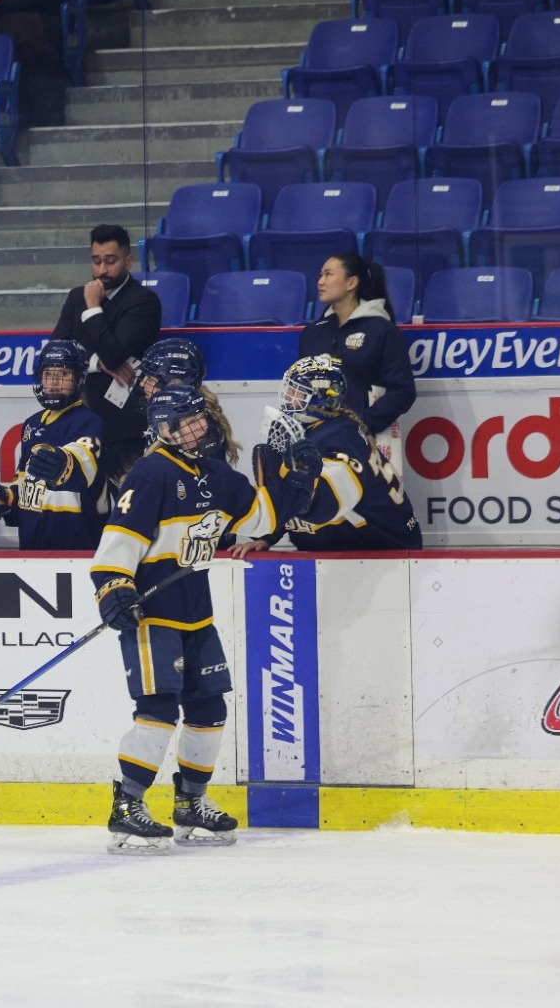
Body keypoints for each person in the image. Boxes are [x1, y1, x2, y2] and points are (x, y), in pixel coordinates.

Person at [91, 385, 322, 853]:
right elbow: (115, 546)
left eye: (201, 419)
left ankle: (190, 803)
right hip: (152, 616)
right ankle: (128, 805)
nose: (200, 428)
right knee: (157, 710)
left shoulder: (217, 474)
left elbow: (259, 522)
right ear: (163, 429)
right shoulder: (150, 474)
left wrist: (296, 485)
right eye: (187, 422)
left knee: (208, 709)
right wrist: (114, 589)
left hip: (197, 614)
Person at [228, 355, 422, 557]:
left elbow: (328, 503)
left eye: (297, 392)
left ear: (321, 398)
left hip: (387, 551)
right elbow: (294, 497)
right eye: (289, 389)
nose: (288, 397)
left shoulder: (340, 436)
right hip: (357, 549)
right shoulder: (312, 429)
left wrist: (295, 486)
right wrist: (268, 535)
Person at [0, 339, 108, 550]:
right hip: (33, 549)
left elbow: (83, 462)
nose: (53, 383)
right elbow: (26, 486)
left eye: (63, 375)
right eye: (48, 375)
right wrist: (4, 499)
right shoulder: (32, 424)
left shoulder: (88, 422)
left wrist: (65, 462)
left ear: (79, 380)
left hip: (79, 548)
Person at [52, 224, 161, 484]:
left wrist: (92, 308)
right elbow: (57, 349)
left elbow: (114, 353)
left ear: (128, 261)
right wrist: (95, 362)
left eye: (110, 261)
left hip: (126, 425)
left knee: (128, 499)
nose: (102, 270)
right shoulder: (76, 297)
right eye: (96, 261)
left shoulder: (143, 301)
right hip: (80, 420)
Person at [297, 253, 416, 439]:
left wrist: (361, 424)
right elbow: (302, 388)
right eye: (320, 275)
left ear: (351, 283)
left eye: (328, 274)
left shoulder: (382, 331)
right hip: (318, 443)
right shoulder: (312, 334)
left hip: (369, 444)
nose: (320, 282)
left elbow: (402, 391)